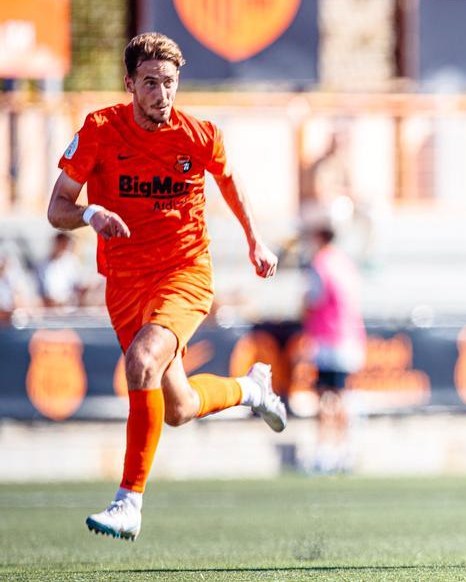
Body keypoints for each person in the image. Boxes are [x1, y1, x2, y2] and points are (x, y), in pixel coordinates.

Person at [46, 33, 286, 542]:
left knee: (141, 360)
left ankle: (128, 501)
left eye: (170, 83)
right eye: (150, 83)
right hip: (125, 281)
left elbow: (229, 179)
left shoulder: (198, 135)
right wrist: (92, 212)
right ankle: (251, 388)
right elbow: (57, 207)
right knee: (175, 407)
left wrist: (254, 239)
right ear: (130, 83)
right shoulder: (99, 130)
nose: (162, 94)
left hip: (184, 273)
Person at [301, 221, 366, 474]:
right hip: (350, 337)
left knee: (327, 397)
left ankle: (326, 451)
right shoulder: (345, 262)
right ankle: (344, 450)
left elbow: (313, 299)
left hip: (329, 338)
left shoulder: (320, 264)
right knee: (342, 395)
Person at [36, 232, 85, 309]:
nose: (65, 247)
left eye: (67, 244)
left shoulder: (72, 262)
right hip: (51, 309)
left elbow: (79, 286)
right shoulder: (43, 265)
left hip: (71, 307)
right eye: (63, 243)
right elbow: (44, 293)